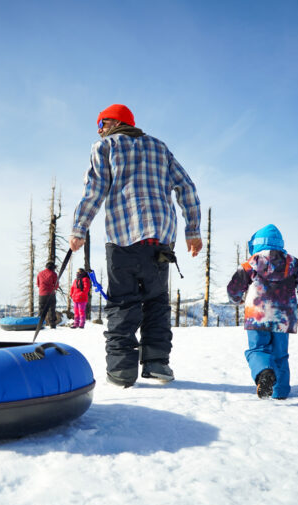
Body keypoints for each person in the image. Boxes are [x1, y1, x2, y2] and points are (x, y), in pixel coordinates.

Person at [69, 104, 202, 387]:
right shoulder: (160, 148)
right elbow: (186, 187)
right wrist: (192, 230)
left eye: (101, 124)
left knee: (122, 303)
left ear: (114, 123)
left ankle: (121, 371)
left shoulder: (105, 147)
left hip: (123, 238)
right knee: (156, 302)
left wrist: (79, 228)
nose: (99, 130)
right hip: (160, 242)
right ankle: (157, 365)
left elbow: (94, 190)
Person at [226, 224, 298, 399]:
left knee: (258, 349)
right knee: (280, 355)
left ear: (256, 244)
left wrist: (236, 299)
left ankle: (264, 372)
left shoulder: (251, 263)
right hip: (284, 317)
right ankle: (280, 391)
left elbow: (234, 287)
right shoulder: (294, 264)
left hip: (257, 316)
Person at [36, 261, 59, 329]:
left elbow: (38, 284)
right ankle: (52, 325)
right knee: (51, 309)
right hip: (50, 294)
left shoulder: (40, 273)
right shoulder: (54, 274)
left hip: (42, 294)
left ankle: (39, 324)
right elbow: (56, 285)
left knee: (41, 309)